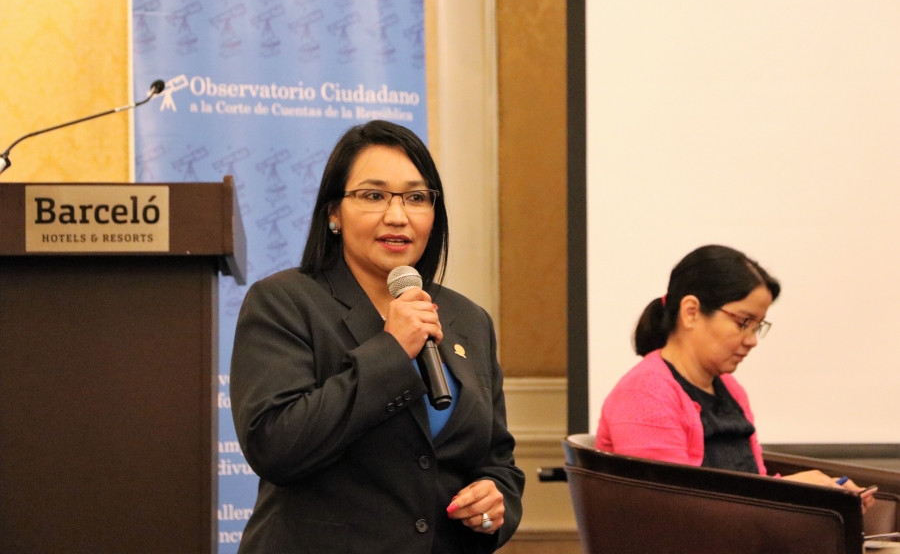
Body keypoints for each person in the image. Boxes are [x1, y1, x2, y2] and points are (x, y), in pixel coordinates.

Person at [230, 120, 524, 553]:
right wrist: (391, 350)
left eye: (416, 198)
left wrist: (494, 502)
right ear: (334, 212)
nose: (398, 216)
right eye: (373, 196)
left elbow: (498, 460)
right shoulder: (284, 301)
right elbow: (273, 445)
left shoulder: (469, 319)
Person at [595, 244, 876, 510]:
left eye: (757, 326)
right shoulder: (645, 393)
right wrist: (789, 492)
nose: (752, 340)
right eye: (743, 322)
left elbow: (750, 487)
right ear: (691, 312)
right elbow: (672, 510)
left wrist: (822, 497)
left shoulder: (730, 388)